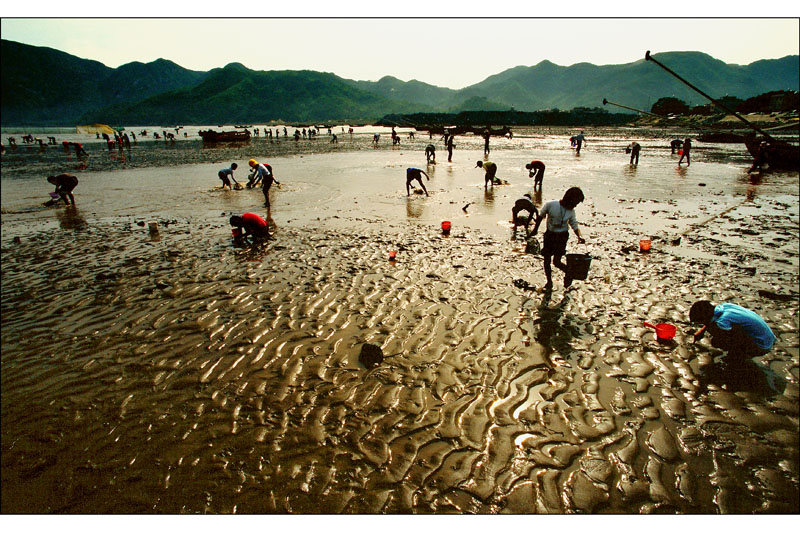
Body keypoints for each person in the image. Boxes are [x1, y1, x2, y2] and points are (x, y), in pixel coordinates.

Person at [531, 187, 586, 289]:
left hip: (562, 237)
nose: (575, 205)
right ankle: (549, 282)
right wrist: (535, 230)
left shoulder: (571, 211)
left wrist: (580, 236)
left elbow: (574, 225)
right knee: (546, 260)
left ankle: (569, 274)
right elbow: (540, 217)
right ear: (570, 199)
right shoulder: (551, 205)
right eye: (576, 202)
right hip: (550, 235)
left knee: (556, 262)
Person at [690, 301, 776, 359]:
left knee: (717, 341)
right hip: (769, 337)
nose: (701, 324)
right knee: (715, 329)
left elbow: (738, 336)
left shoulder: (723, 321)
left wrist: (733, 350)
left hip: (762, 345)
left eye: (700, 322)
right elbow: (711, 319)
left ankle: (739, 357)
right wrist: (701, 331)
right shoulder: (723, 306)